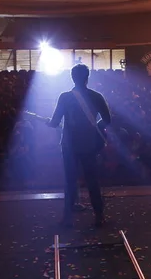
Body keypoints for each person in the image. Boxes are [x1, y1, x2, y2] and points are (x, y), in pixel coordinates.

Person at [46, 64, 111, 227]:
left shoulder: (65, 97)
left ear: (72, 78)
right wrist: (95, 127)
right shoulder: (97, 96)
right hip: (89, 144)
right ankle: (99, 215)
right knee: (92, 180)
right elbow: (107, 120)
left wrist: (49, 122)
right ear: (87, 77)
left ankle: (67, 217)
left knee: (70, 181)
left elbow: (55, 122)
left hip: (69, 145)